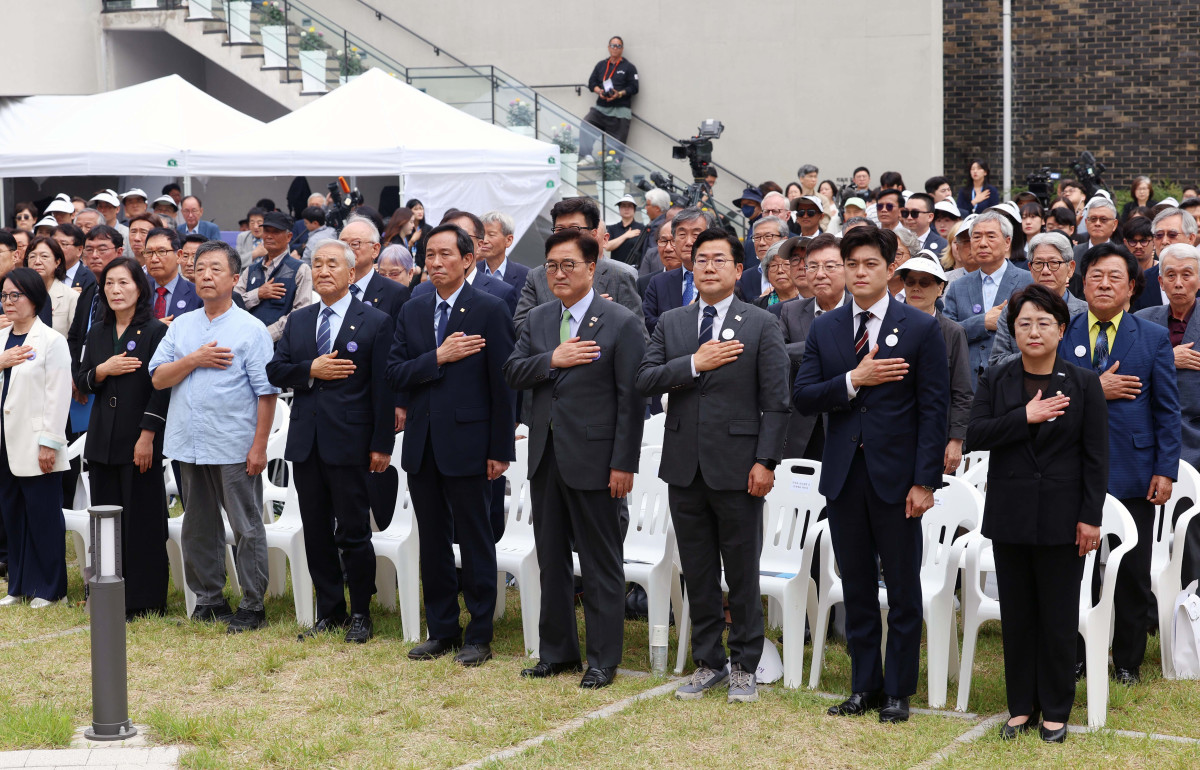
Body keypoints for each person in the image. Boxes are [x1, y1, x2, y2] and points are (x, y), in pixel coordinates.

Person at [793, 226, 949, 724]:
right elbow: (803, 396)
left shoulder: (922, 327)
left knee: (902, 588)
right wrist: (852, 380)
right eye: (851, 264)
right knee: (857, 586)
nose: (859, 273)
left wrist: (926, 481)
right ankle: (865, 686)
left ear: (890, 270)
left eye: (870, 265)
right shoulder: (827, 328)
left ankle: (899, 691)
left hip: (898, 479)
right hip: (844, 476)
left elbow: (934, 410)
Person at [636, 228, 790, 705]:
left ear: (738, 269)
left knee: (741, 572)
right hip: (684, 467)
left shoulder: (761, 323)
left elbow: (778, 402)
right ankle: (709, 662)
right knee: (698, 570)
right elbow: (645, 379)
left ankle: (745, 664)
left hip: (739, 466)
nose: (707, 267)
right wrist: (694, 365)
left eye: (718, 259)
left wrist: (766, 461)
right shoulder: (673, 322)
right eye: (700, 259)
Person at [503, 228, 645, 689]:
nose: (559, 273)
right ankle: (557, 652)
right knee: (551, 559)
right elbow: (513, 371)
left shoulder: (620, 321)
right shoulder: (541, 318)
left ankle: (603, 659)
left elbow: (632, 399)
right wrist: (554, 359)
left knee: (602, 564)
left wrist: (623, 463)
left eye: (569, 265)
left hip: (599, 461)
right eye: (551, 266)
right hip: (546, 458)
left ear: (592, 267)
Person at [967, 283, 1107, 743]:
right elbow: (975, 434)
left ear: (1062, 329)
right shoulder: (997, 378)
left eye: (1044, 322)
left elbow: (1095, 456)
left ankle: (1056, 708)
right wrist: (1023, 417)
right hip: (1010, 514)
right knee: (1019, 615)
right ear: (1013, 329)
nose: (1033, 331)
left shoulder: (1083, 383)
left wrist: (1090, 516)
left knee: (1058, 616)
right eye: (1024, 323)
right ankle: (1020, 706)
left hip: (1064, 518)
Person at [387, 223, 515, 667]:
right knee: (433, 541)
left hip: (471, 444)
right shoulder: (414, 308)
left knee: (476, 539)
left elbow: (504, 386)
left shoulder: (490, 309)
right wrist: (437, 358)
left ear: (468, 260)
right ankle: (441, 628)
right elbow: (395, 373)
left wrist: (501, 449)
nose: (436, 262)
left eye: (445, 255)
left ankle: (479, 633)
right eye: (429, 255)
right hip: (422, 443)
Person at [1060, 243, 1180, 685]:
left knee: (1131, 568)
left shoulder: (1150, 338)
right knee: (1074, 567)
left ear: (1132, 287)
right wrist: (1096, 387)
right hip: (1071, 469)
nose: (1104, 283)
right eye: (1096, 275)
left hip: (1133, 468)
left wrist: (1165, 469)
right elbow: (1049, 398)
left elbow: (1167, 410)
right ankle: (1073, 652)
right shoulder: (1063, 332)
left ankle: (1127, 660)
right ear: (1082, 283)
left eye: (1115, 277)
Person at [266, 240, 394, 644]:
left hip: (351, 442)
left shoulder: (374, 320)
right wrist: (311, 369)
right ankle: (331, 611)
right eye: (317, 264)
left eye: (332, 264)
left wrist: (381, 444)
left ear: (351, 273)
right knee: (316, 530)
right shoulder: (301, 320)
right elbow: (276, 370)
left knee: (353, 531)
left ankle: (360, 613)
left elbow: (383, 389)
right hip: (306, 443)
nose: (323, 270)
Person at [149, 241, 280, 632]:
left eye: (216, 269)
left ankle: (253, 604)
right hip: (187, 441)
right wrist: (194, 360)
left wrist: (259, 446)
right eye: (200, 268)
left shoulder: (251, 329)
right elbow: (158, 377)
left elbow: (266, 393)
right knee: (198, 525)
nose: (205, 275)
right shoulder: (184, 324)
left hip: (233, 445)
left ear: (235, 279)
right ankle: (209, 598)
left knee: (246, 525)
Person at [75, 256, 171, 619]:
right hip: (102, 439)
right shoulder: (98, 331)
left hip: (138, 438)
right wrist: (103, 369)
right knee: (105, 519)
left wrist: (147, 436)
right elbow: (82, 380)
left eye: (123, 283)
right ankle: (107, 593)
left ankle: (144, 599)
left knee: (142, 519)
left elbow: (160, 390)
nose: (115, 290)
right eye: (109, 284)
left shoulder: (156, 331)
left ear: (139, 288)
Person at [0, 268, 71, 607]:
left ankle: (50, 587)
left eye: (16, 295)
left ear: (34, 298)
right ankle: (19, 585)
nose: (8, 302)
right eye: (4, 296)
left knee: (43, 516)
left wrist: (50, 442)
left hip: (37, 441)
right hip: (4, 440)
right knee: (13, 514)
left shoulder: (52, 341)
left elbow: (58, 396)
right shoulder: (0, 339)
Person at [1136, 243, 1200, 586]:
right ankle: (1145, 604)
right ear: (1160, 281)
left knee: (1190, 519)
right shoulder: (1144, 321)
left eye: (1186, 275)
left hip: (1196, 437)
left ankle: (1192, 601)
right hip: (1150, 436)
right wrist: (1167, 359)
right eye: (1170, 275)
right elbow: (1125, 373)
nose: (1178, 283)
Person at [514, 197, 643, 331]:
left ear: (593, 234)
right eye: (560, 229)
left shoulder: (620, 276)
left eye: (574, 229)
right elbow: (520, 327)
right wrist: (567, 312)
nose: (566, 236)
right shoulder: (537, 276)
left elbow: (637, 335)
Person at [777, 233, 849, 460]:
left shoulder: (860, 310)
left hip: (848, 422)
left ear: (847, 268)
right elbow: (778, 357)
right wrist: (821, 346)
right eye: (812, 266)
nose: (819, 274)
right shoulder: (791, 311)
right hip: (800, 424)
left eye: (829, 266)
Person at [898, 253, 971, 474]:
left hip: (935, 437)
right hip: (893, 435)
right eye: (910, 282)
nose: (916, 288)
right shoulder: (886, 327)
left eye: (925, 282)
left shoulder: (953, 332)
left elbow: (962, 392)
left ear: (940, 288)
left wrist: (956, 440)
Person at [943, 209, 1034, 387]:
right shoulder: (958, 286)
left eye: (991, 236)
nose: (982, 243)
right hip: (967, 385)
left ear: (1007, 242)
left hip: (1014, 380)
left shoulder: (1028, 283)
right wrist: (982, 322)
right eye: (976, 237)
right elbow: (946, 334)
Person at [990, 232, 1089, 366]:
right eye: (1039, 263)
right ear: (1030, 268)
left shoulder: (1086, 313)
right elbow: (996, 363)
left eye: (1054, 263)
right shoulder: (1012, 311)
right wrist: (1034, 352)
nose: (1045, 270)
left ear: (1070, 268)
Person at [414, 211, 517, 317]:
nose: (452, 241)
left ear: (480, 245)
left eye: (461, 236)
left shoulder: (501, 293)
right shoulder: (420, 291)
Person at [234, 211, 313, 342]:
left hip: (281, 346)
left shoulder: (300, 269)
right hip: (247, 341)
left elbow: (301, 312)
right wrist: (258, 294)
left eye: (276, 232)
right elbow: (232, 304)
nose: (269, 236)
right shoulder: (251, 270)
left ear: (289, 237)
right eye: (266, 231)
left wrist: (265, 335)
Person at [642, 208, 715, 333]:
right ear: (674, 239)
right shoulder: (658, 283)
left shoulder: (723, 279)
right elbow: (647, 324)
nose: (688, 242)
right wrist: (685, 316)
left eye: (696, 235)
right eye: (682, 235)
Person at [580, 36, 638, 161]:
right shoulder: (601, 65)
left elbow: (634, 88)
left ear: (622, 49)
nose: (615, 48)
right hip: (601, 109)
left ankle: (613, 171)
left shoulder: (629, 67)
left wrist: (619, 94)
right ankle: (586, 156)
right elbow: (591, 83)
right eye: (613, 45)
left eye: (618, 46)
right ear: (608, 47)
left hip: (620, 111)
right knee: (586, 124)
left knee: (616, 147)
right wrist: (599, 91)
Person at [1132, 207, 1199, 312]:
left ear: (1191, 238)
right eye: (1159, 235)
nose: (1164, 241)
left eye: (1172, 235)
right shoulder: (1141, 281)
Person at [144, 227, 202, 323]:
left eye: (161, 251)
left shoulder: (198, 295)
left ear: (179, 256)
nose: (154, 259)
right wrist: (154, 329)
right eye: (149, 252)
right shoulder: (138, 293)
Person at [23, 236, 77, 338]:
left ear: (57, 262)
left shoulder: (71, 297)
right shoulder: (19, 295)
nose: (37, 261)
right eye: (32, 257)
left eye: (44, 256)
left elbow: (74, 338)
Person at [736, 215, 788, 302]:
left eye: (768, 236)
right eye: (757, 237)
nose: (761, 243)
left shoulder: (796, 273)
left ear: (784, 239)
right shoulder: (744, 279)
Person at [478, 210, 530, 297]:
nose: (484, 240)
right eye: (481, 234)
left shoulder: (526, 276)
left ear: (508, 240)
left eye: (491, 235)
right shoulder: (470, 271)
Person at [1073, 196, 1120, 262]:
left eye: (1103, 219)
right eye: (1093, 219)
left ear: (1114, 224)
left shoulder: (1121, 254)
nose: (1097, 223)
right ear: (1086, 223)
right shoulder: (1074, 252)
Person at [754, 242, 800, 308]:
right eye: (773, 265)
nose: (780, 270)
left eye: (786, 264)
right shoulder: (758, 306)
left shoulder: (811, 301)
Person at [53, 223, 95, 292]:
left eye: (64, 244)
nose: (57, 248)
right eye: (54, 243)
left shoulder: (90, 279)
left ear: (79, 250)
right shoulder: (45, 274)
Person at [605, 195, 645, 265]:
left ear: (634, 210)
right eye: (623, 206)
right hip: (616, 268)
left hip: (636, 268)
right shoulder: (612, 228)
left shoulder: (641, 228)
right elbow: (607, 246)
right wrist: (625, 236)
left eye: (629, 206)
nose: (626, 209)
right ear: (619, 209)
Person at [405, 198, 433, 278]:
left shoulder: (428, 229)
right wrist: (412, 241)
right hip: (410, 268)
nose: (420, 212)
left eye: (421, 209)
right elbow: (404, 251)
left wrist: (425, 272)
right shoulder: (406, 229)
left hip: (425, 268)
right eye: (416, 209)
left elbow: (431, 253)